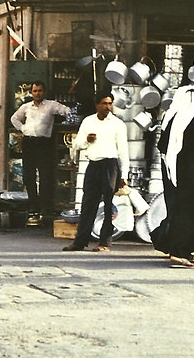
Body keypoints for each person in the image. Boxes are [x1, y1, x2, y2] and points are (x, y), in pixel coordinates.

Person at [153, 85, 194, 268]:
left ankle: (179, 248)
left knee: (176, 209)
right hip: (191, 174)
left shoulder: (170, 118)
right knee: (188, 212)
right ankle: (179, 253)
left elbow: (161, 146)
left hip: (172, 172)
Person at [62, 92, 129, 252]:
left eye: (109, 104)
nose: (107, 107)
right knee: (88, 204)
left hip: (110, 165)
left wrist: (124, 174)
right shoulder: (88, 121)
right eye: (104, 103)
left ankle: (105, 242)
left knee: (108, 205)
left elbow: (123, 151)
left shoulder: (117, 124)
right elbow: (77, 144)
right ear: (97, 104)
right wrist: (87, 140)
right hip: (93, 164)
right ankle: (80, 241)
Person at [10, 81, 71, 225]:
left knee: (45, 176)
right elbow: (14, 119)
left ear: (44, 92)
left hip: (44, 144)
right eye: (35, 91)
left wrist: (68, 119)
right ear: (31, 92)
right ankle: (33, 207)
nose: (37, 93)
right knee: (29, 176)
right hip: (29, 142)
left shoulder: (51, 105)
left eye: (40, 90)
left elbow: (67, 110)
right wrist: (23, 129)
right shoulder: (26, 107)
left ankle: (45, 208)